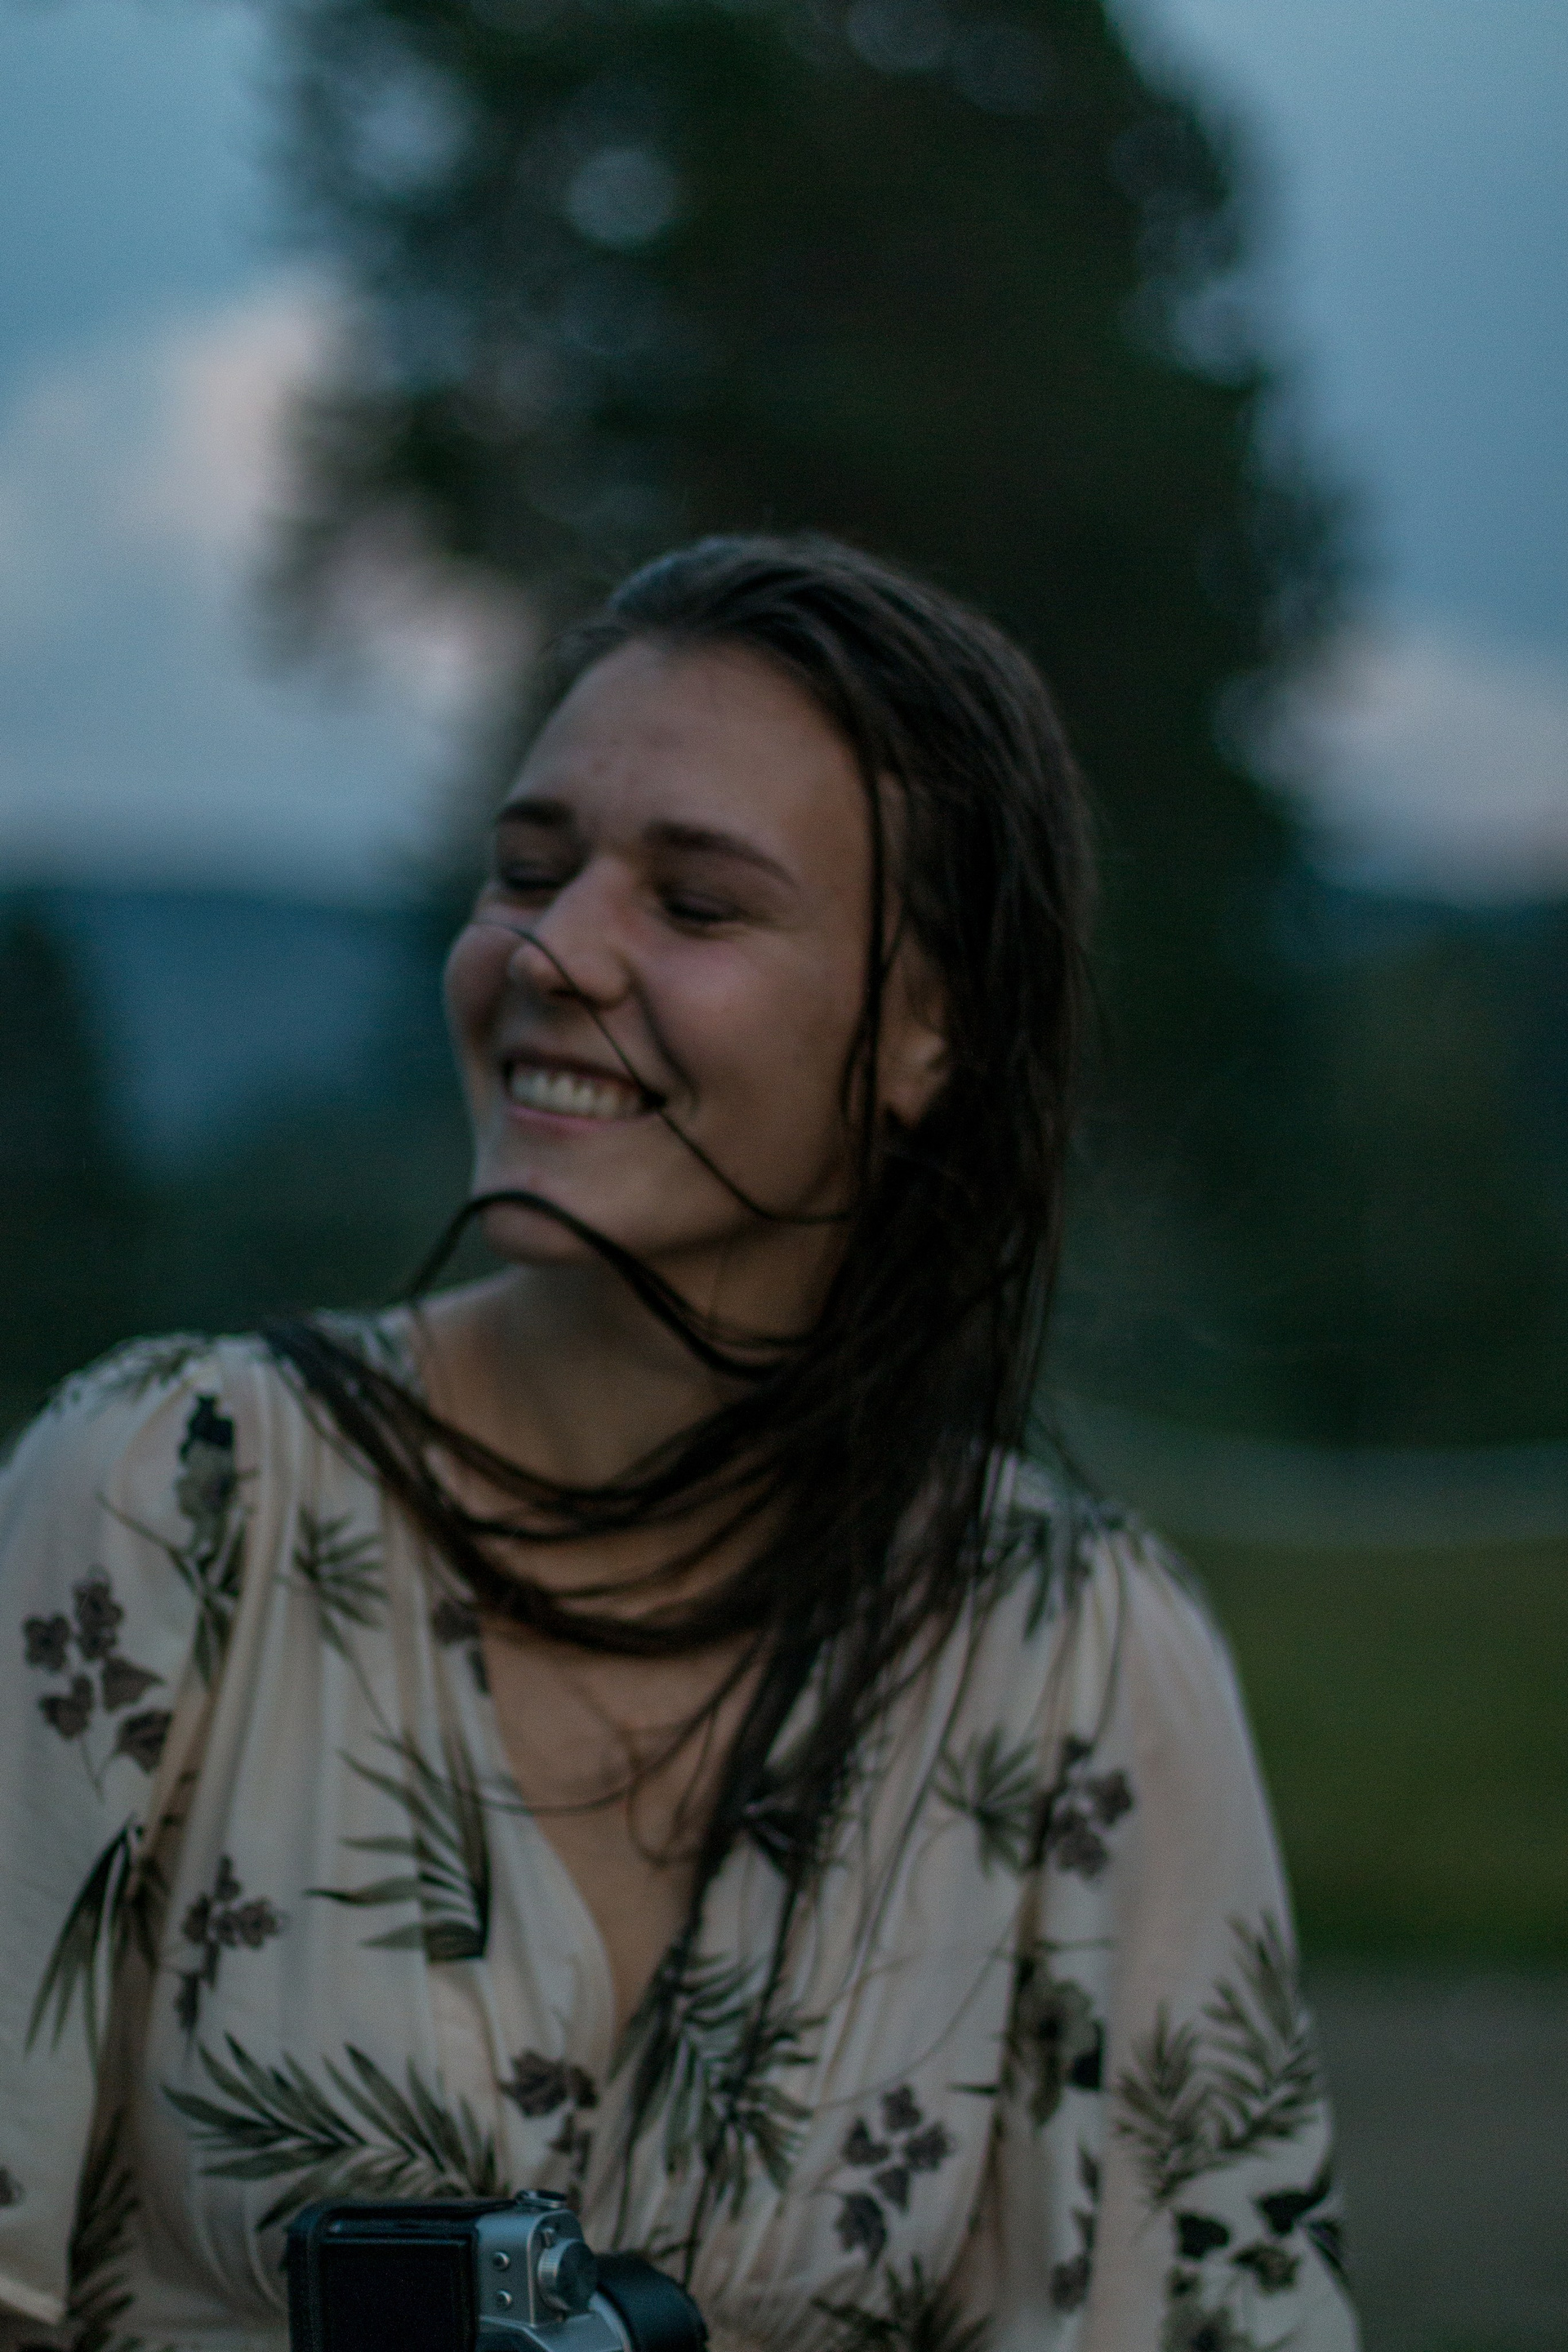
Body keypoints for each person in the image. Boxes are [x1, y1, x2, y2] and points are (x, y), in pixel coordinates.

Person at [0, 537, 1357, 2352]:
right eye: (528, 870)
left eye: (698, 905)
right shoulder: (170, 1506)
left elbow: (1204, 2305)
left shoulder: (1084, 1663)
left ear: (926, 1032)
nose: (553, 950)